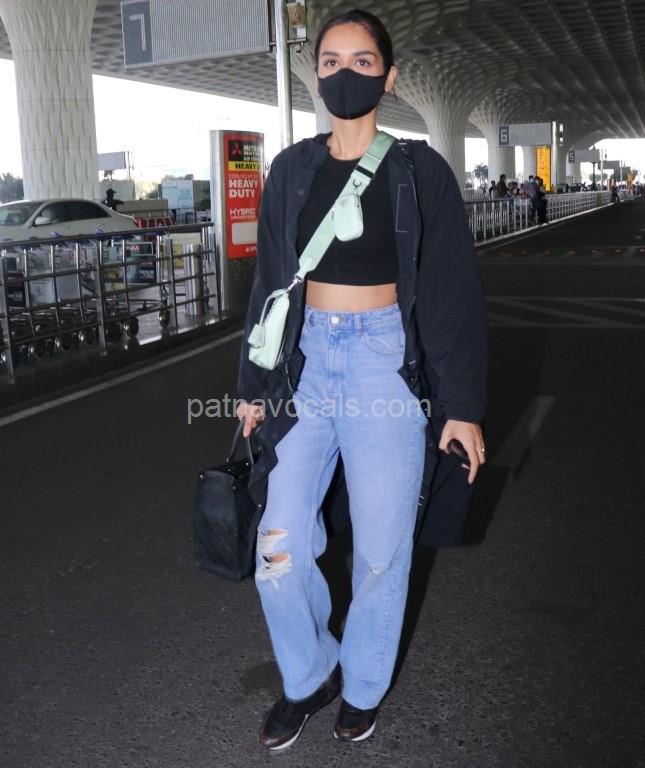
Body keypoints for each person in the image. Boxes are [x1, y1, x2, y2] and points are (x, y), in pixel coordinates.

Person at [236, 9, 487, 752]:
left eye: (363, 61)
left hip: (384, 360)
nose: (346, 73)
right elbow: (269, 287)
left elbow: (449, 292)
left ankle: (365, 685)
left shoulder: (419, 171)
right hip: (304, 365)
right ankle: (309, 674)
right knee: (277, 547)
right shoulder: (291, 170)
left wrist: (462, 406)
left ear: (390, 76)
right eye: (332, 61)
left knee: (382, 548)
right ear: (316, 75)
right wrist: (251, 386)